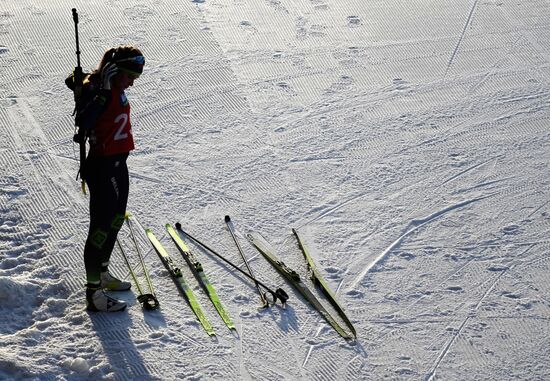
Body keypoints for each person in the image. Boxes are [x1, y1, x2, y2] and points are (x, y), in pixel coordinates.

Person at [67, 45, 145, 312]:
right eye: (128, 76)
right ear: (114, 71)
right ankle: (94, 295)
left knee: (116, 219)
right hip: (102, 167)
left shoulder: (112, 87)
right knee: (99, 230)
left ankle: (102, 274)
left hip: (119, 163)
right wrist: (98, 93)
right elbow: (84, 122)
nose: (132, 83)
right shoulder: (98, 92)